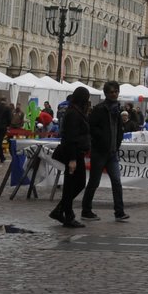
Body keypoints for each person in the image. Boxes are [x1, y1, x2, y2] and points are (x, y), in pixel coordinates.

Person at [81, 82, 128, 222]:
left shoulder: (117, 110)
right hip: (100, 152)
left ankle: (119, 212)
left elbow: (119, 130)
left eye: (116, 91)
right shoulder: (100, 109)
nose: (114, 94)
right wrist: (101, 139)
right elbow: (91, 127)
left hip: (112, 152)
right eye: (111, 92)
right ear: (106, 93)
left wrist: (117, 142)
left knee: (117, 182)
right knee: (94, 182)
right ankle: (86, 210)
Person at [49, 87, 91, 228]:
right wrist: (72, 159)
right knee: (74, 184)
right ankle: (66, 214)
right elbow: (71, 137)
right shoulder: (73, 113)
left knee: (73, 184)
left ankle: (63, 211)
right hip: (73, 153)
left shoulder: (76, 111)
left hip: (76, 152)